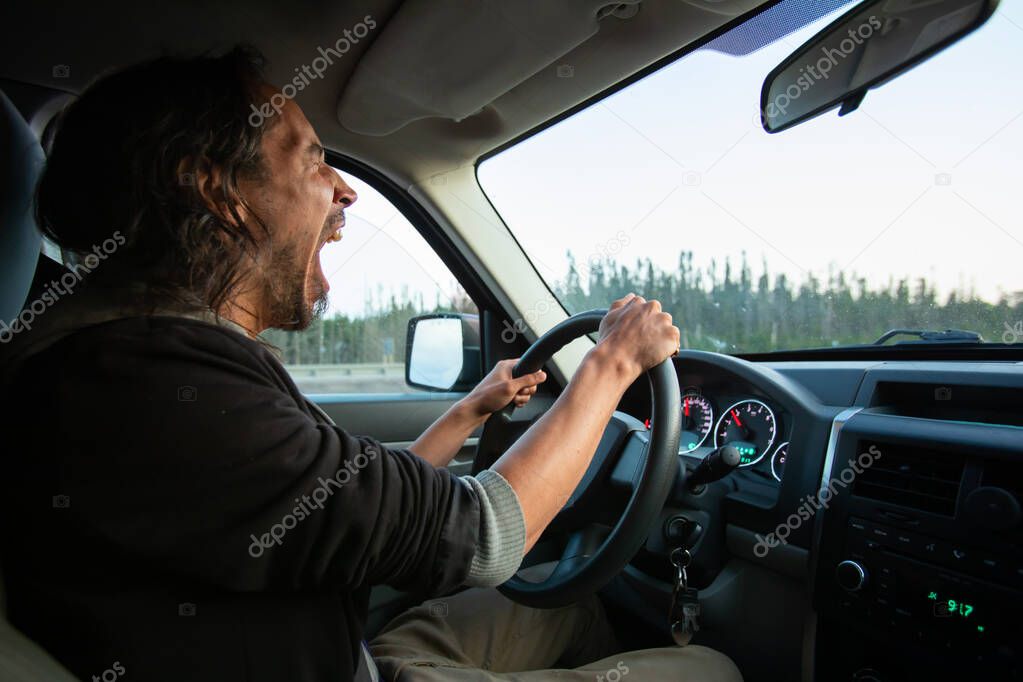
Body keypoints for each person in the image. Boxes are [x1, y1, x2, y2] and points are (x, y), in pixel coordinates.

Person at [0, 46, 742, 682]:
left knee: (570, 606)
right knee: (711, 669)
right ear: (214, 189)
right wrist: (611, 365)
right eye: (315, 158)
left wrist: (469, 411)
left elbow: (342, 515)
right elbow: (484, 535)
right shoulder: (147, 380)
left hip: (345, 648)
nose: (345, 188)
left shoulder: (119, 362)